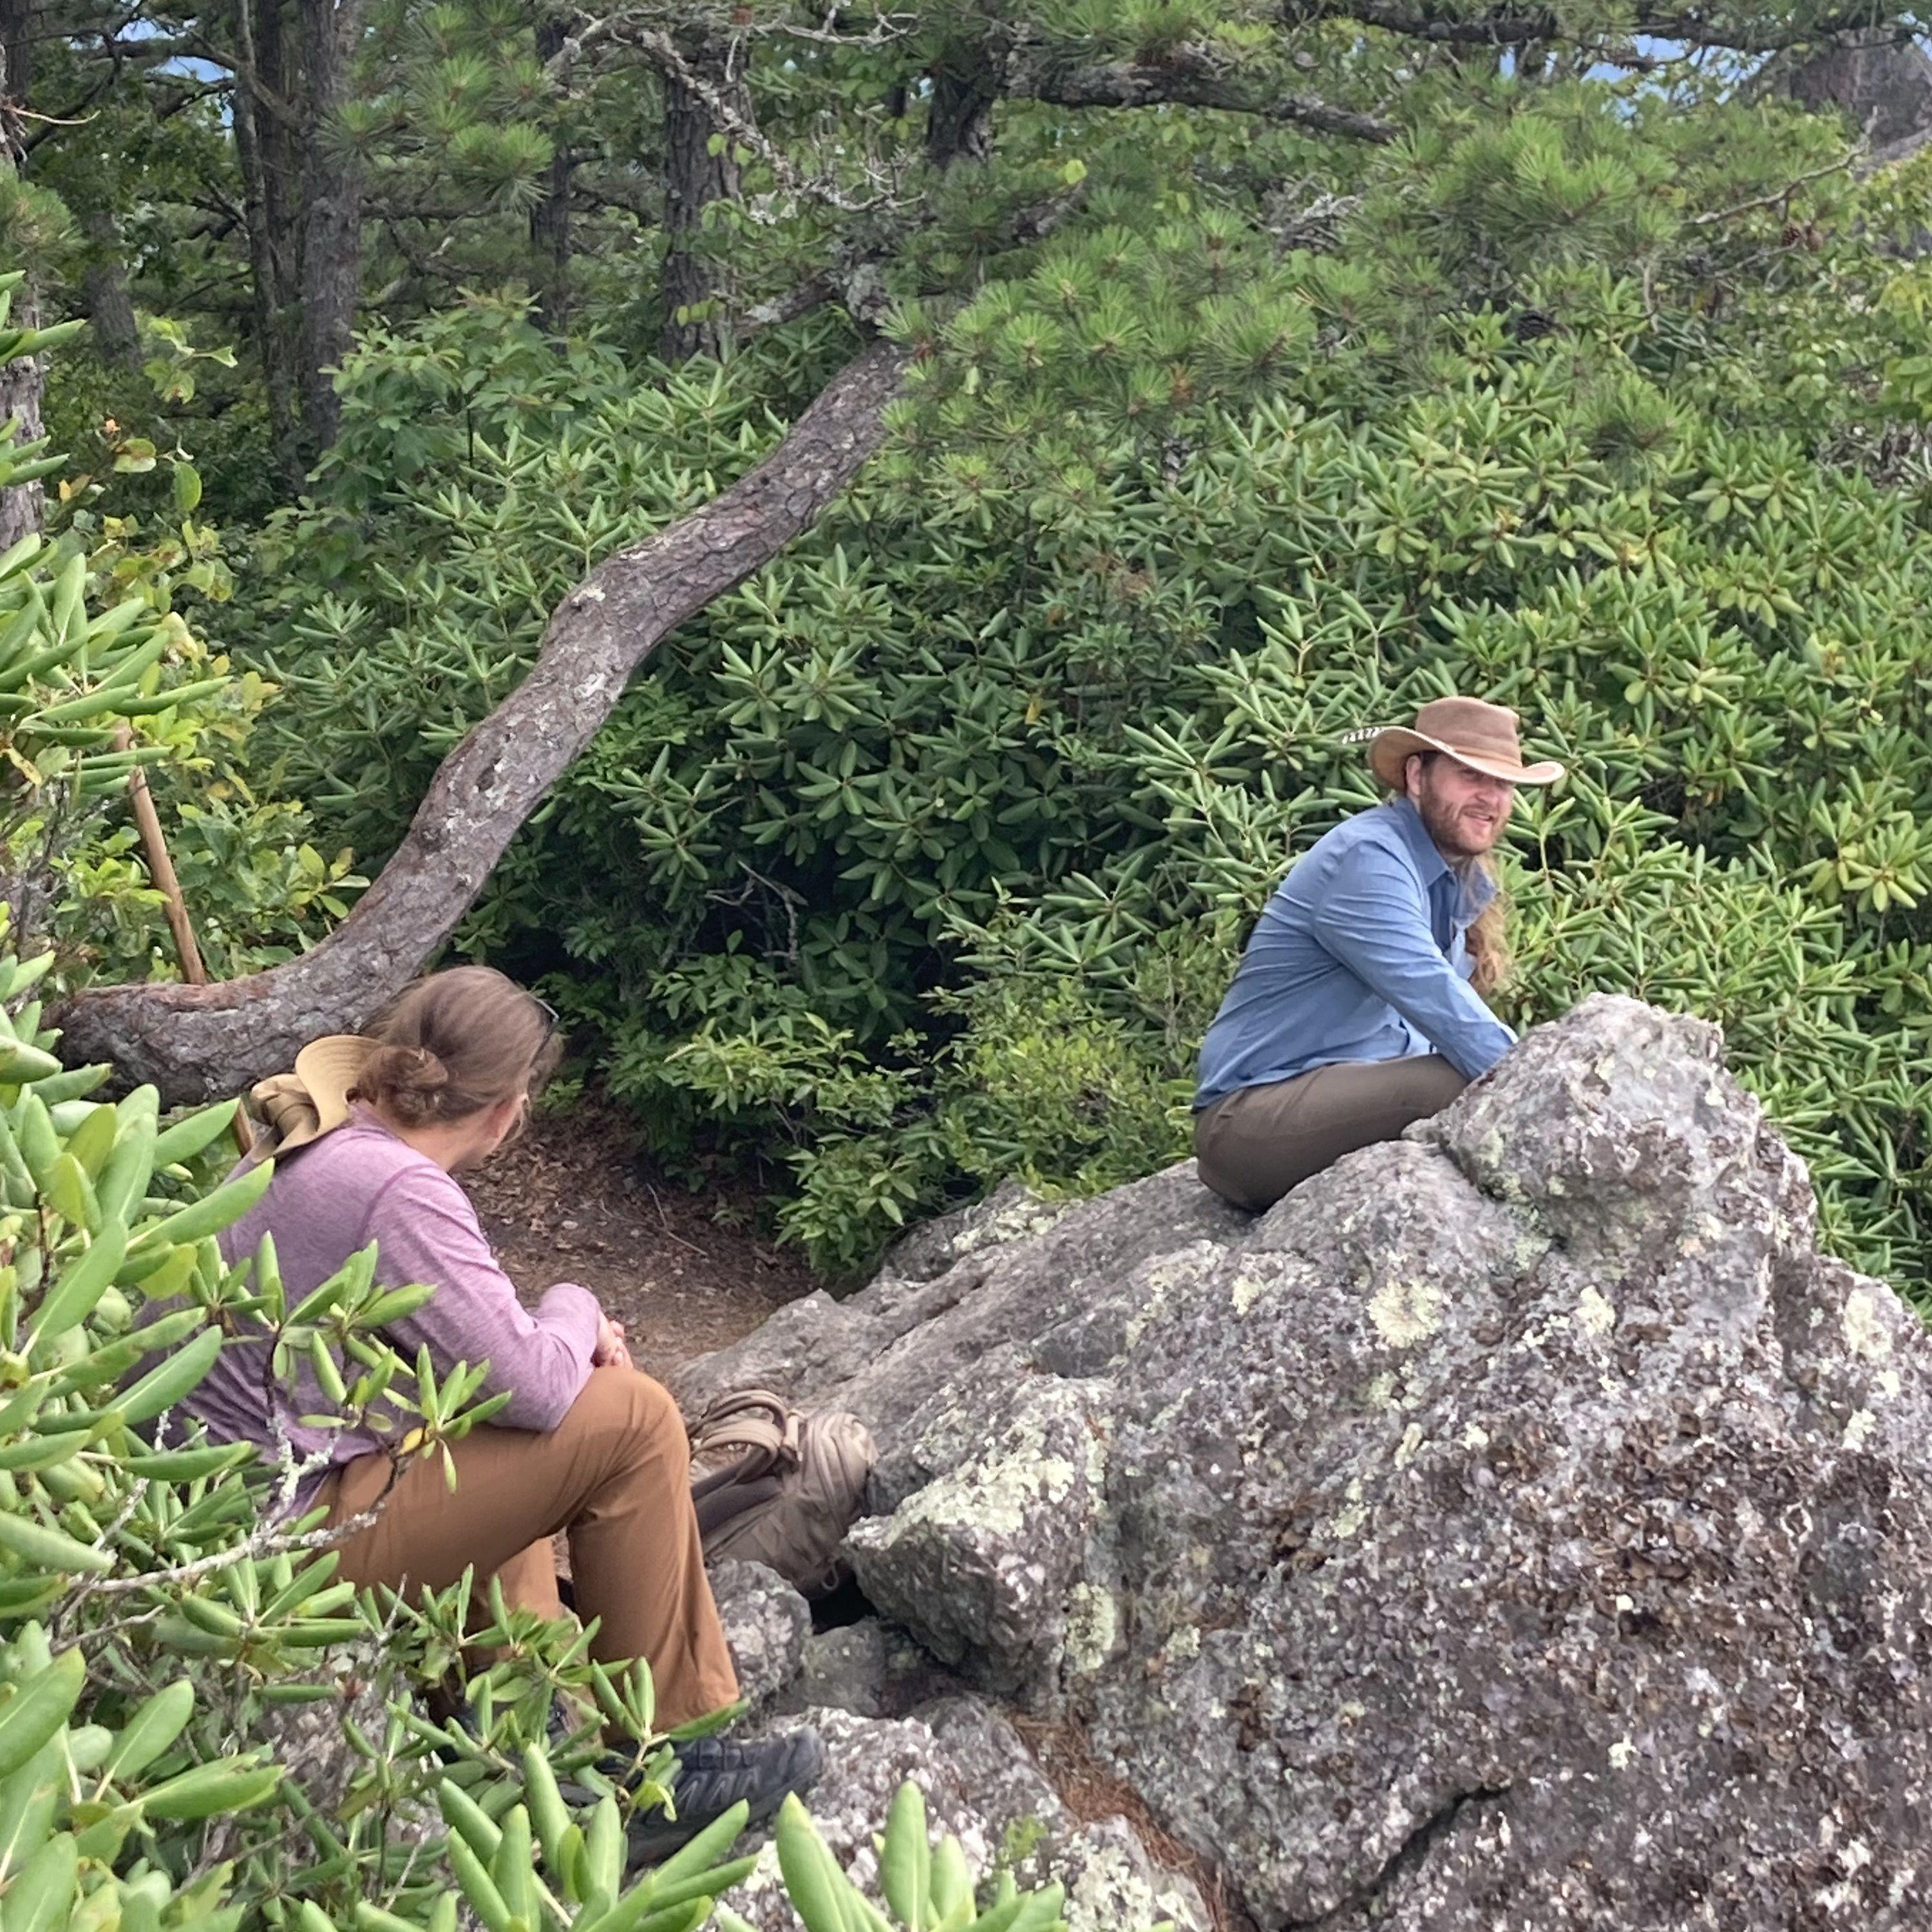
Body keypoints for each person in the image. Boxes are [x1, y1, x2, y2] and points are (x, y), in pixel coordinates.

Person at [158, 965, 824, 1852]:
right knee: (633, 1417)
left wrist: (551, 1330)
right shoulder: (398, 1188)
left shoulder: (317, 1134)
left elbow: (487, 1371)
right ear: (509, 1110)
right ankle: (657, 1765)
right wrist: (579, 1303)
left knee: (486, 1427)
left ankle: (526, 1739)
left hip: (203, 1518)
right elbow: (542, 1386)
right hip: (273, 1549)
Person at [1193, 695, 1563, 1212]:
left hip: (1318, 1102)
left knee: (1460, 1077)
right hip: (1249, 1122)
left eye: (1503, 783)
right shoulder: (1368, 859)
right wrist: (1549, 1095)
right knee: (1458, 1080)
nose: (1491, 798)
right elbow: (1441, 1006)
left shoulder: (1453, 881)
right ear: (1417, 777)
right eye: (1470, 776)